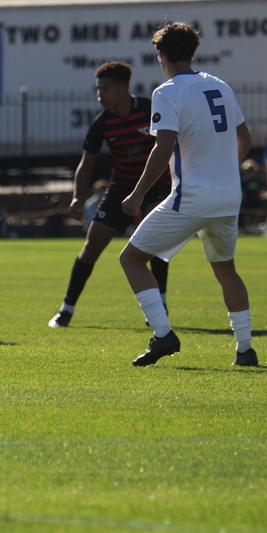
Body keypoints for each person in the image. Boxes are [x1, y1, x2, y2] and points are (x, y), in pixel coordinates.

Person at [119, 22, 256, 367]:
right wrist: (225, 171)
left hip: (192, 197)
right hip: (228, 198)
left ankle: (164, 335)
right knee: (226, 269)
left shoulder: (167, 91)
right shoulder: (219, 85)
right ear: (194, 53)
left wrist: (136, 195)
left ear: (160, 55)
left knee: (131, 259)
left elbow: (163, 148)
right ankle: (245, 349)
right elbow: (245, 139)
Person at [48, 62, 172, 328]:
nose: (99, 95)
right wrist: (77, 197)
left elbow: (171, 145)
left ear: (122, 89)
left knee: (154, 242)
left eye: (105, 89)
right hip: (120, 189)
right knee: (92, 245)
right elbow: (86, 164)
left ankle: (160, 305)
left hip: (155, 187)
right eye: (97, 89)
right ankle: (66, 310)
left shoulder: (150, 110)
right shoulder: (103, 123)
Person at [239, 159, 263, 234]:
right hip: (248, 200)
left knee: (257, 213)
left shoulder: (257, 180)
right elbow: (243, 191)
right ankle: (247, 228)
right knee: (247, 215)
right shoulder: (244, 181)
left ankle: (255, 227)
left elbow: (260, 189)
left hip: (256, 200)